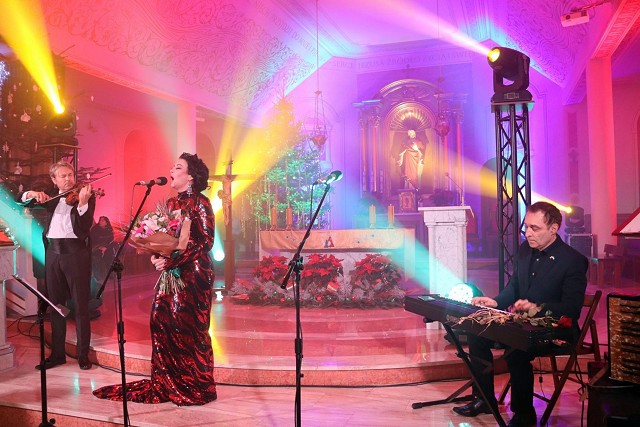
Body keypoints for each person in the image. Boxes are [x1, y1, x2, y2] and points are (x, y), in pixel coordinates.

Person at [93, 152, 217, 406]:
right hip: (171, 271)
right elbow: (165, 240)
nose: (171, 170)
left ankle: (193, 383)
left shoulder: (201, 203)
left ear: (191, 176)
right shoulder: (171, 203)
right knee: (160, 319)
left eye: (178, 167)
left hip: (194, 274)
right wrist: (157, 255)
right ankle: (168, 380)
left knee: (185, 328)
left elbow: (205, 242)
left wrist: (171, 259)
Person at [452, 201, 587, 427]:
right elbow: (515, 285)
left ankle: (524, 414)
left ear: (554, 228)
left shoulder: (573, 261)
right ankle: (484, 399)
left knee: (517, 350)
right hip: (522, 323)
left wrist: (536, 308)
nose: (528, 233)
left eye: (535, 228)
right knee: (476, 332)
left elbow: (572, 309)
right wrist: (496, 301)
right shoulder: (525, 250)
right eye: (526, 227)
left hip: (555, 329)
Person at [21, 161, 96, 370]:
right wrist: (31, 194)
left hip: (76, 254)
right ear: (54, 180)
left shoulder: (86, 195)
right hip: (53, 253)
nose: (68, 179)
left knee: (80, 306)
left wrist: (82, 204)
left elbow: (84, 227)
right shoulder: (50, 197)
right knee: (56, 306)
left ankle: (83, 355)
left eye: (70, 175)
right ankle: (58, 354)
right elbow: (21, 199)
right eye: (63, 176)